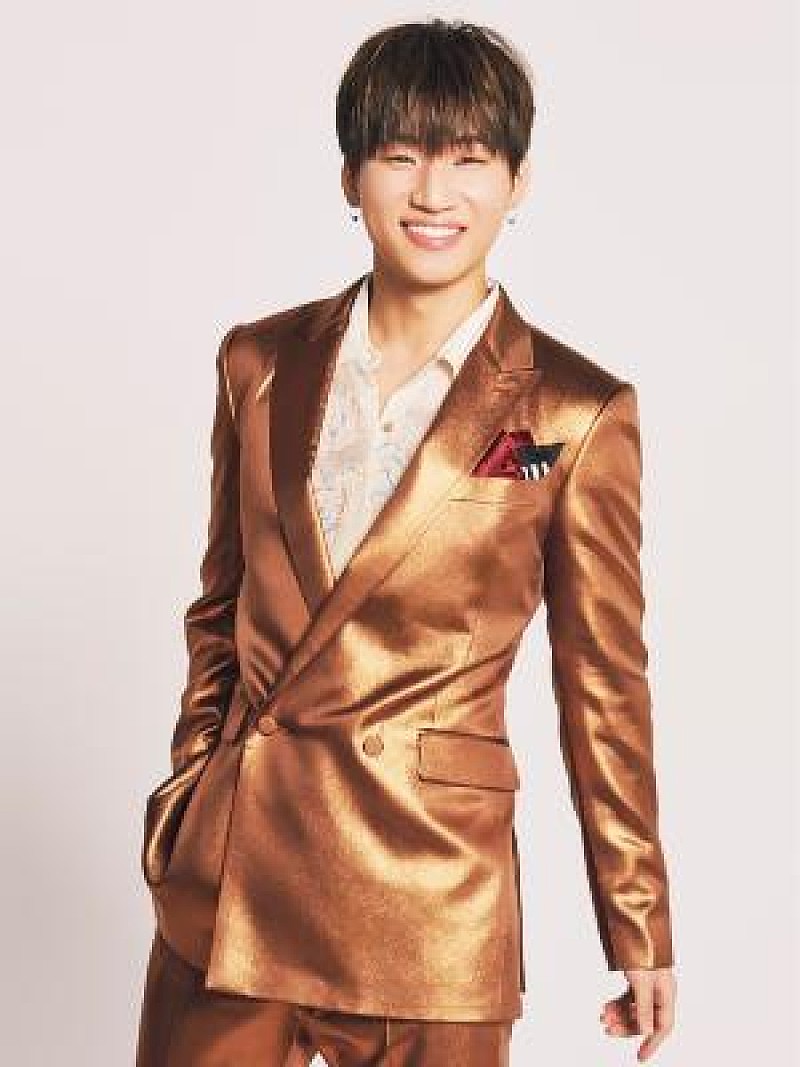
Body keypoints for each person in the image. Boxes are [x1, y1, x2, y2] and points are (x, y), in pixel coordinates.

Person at [135, 17, 677, 1066]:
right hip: (234, 883)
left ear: (516, 181)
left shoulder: (574, 412)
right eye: (401, 155)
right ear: (352, 174)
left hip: (431, 898)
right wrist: (190, 797)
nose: (434, 193)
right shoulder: (258, 363)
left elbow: (602, 679)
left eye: (468, 158)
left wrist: (638, 917)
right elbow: (222, 606)